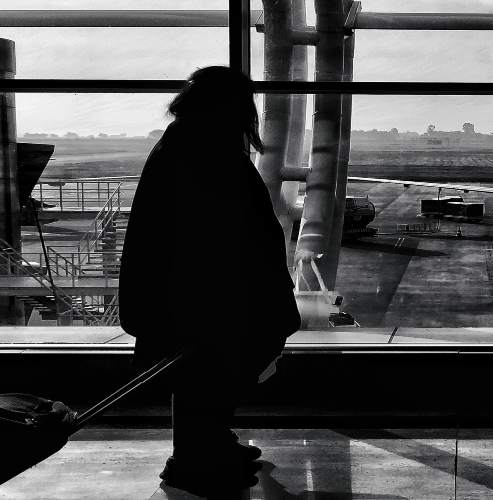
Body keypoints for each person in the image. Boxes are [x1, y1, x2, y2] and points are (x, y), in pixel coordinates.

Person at [118, 66, 301, 498]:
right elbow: (222, 233)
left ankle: (205, 448)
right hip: (211, 296)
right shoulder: (206, 150)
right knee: (211, 373)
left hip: (195, 293)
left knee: (202, 374)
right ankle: (198, 459)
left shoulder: (186, 142)